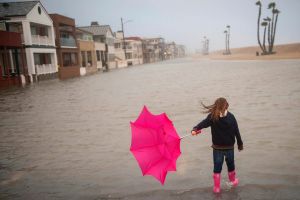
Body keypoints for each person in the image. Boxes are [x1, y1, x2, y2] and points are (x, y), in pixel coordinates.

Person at [191, 97, 243, 193]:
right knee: (231, 165)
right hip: (229, 148)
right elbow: (237, 131)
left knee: (217, 167)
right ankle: (233, 182)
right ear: (227, 106)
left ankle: (216, 188)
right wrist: (240, 144)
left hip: (217, 148)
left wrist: (195, 129)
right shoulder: (231, 117)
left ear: (216, 106)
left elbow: (203, 124)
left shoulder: (212, 116)